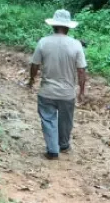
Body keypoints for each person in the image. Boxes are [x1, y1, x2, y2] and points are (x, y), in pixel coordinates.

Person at [27, 9, 87, 160]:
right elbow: (81, 71)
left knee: (48, 119)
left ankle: (53, 150)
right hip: (67, 93)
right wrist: (81, 91)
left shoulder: (43, 42)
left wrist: (32, 80)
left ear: (53, 26)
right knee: (66, 120)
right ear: (68, 27)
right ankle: (64, 144)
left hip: (47, 91)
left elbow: (34, 65)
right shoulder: (76, 45)